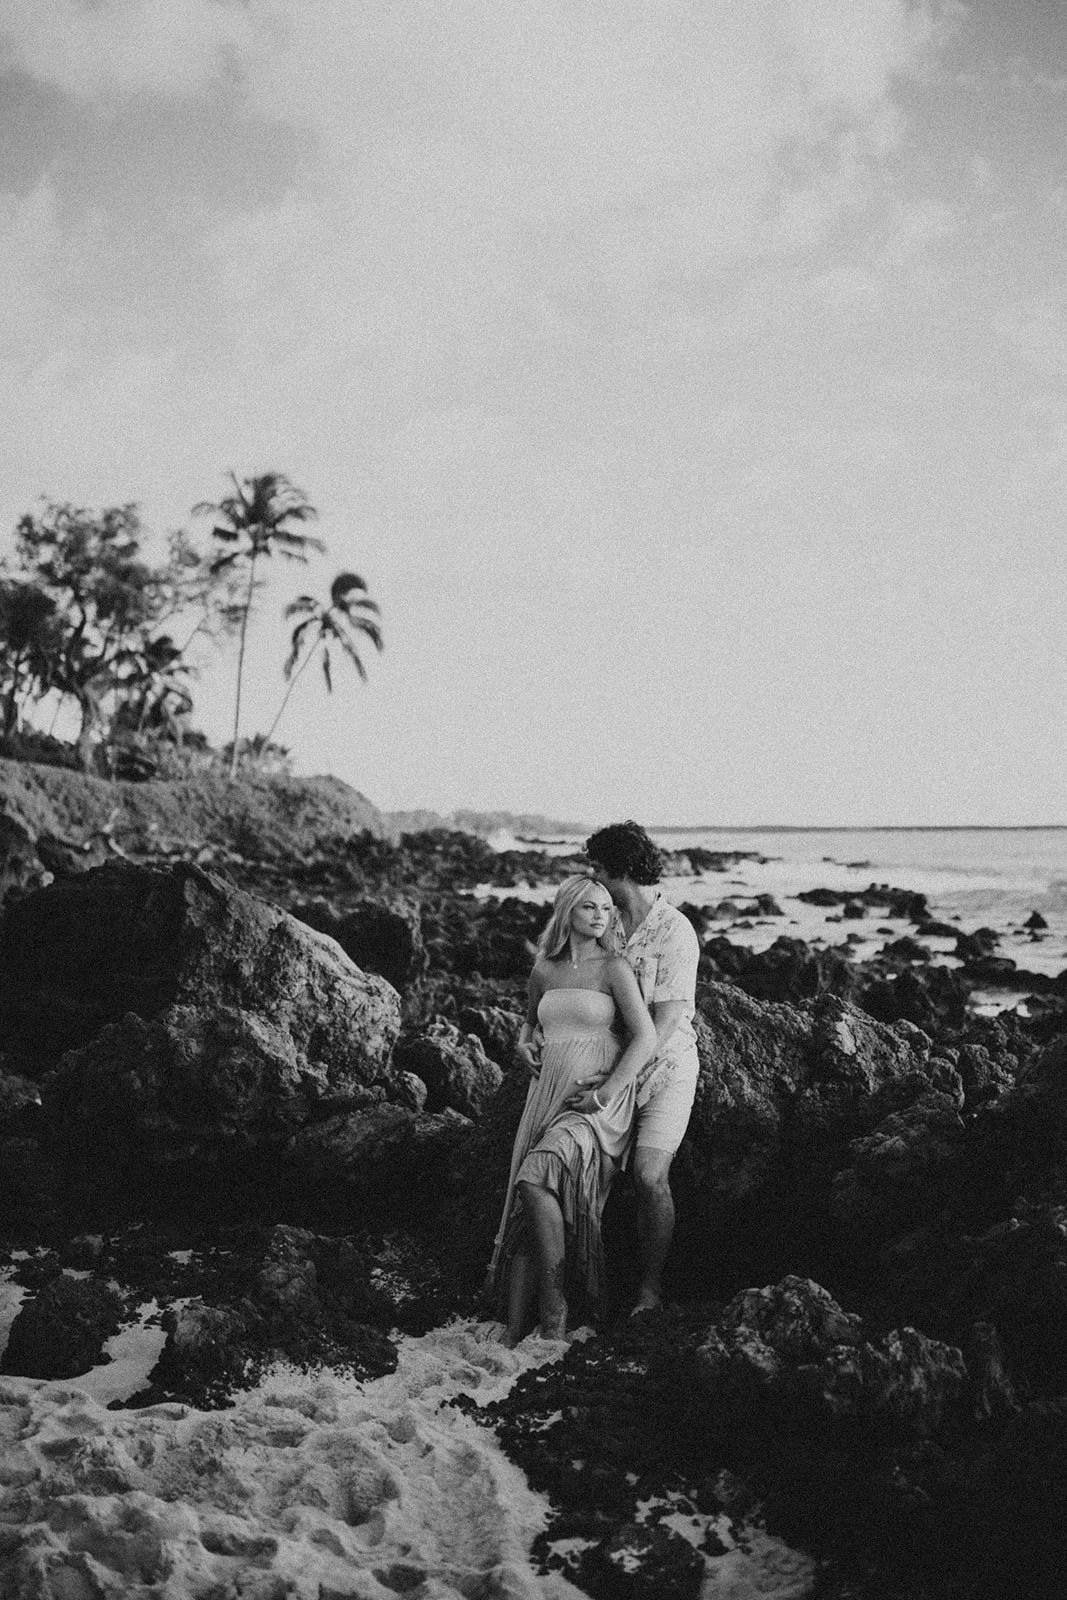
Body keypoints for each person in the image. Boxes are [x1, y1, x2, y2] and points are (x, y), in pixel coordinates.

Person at [488, 875, 657, 1344]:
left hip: (596, 1103)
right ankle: (517, 1327)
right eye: (589, 907)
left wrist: (605, 1094)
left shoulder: (614, 968)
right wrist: (522, 1043)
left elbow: (645, 1036)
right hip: (546, 1095)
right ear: (567, 912)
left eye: (606, 908)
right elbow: (530, 1024)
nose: (600, 916)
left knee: (534, 1177)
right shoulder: (544, 969)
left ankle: (556, 1310)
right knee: (531, 1203)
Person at [584, 820, 701, 1313]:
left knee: (649, 1176)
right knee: (588, 1173)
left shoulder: (675, 930)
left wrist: (616, 1081)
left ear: (622, 868)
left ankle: (649, 1289)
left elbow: (667, 1022)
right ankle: (588, 1284)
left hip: (666, 1068)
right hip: (607, 1064)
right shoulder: (602, 922)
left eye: (598, 867)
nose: (592, 876)